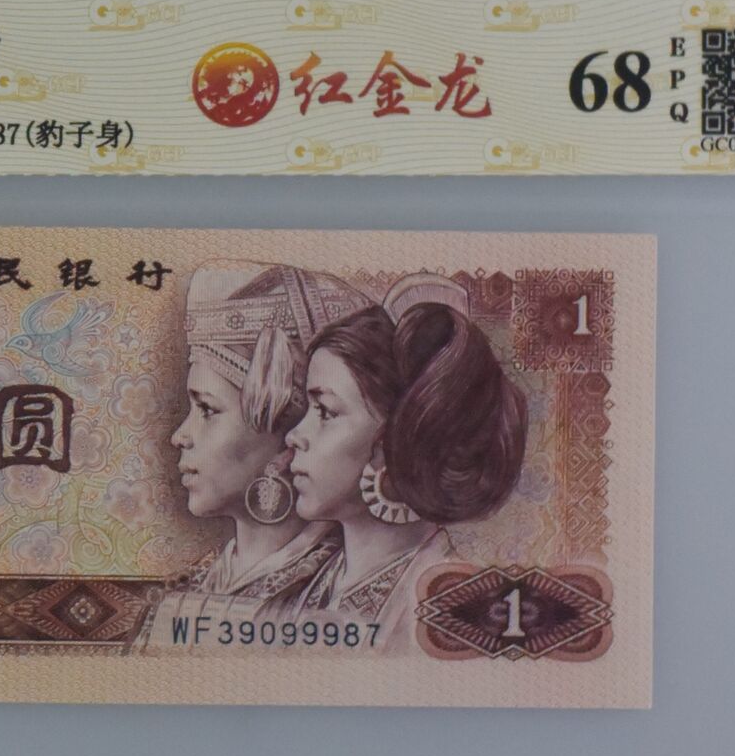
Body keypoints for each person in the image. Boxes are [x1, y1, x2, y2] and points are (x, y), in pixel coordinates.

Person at [281, 272, 528, 645]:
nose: (294, 436)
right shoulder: (300, 590)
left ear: (398, 438)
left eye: (326, 412)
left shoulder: (454, 610)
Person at [157, 260, 374, 625]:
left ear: (290, 431)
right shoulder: (191, 587)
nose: (179, 436)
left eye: (207, 409)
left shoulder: (343, 596)